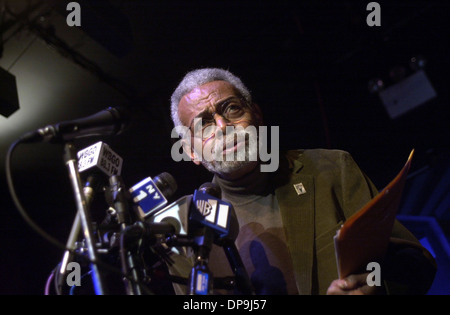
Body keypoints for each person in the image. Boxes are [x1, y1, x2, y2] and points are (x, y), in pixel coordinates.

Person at [166, 67, 436, 295]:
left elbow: (418, 264)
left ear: (257, 116)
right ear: (191, 151)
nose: (223, 126)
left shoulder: (330, 169)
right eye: (204, 125)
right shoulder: (183, 227)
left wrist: (374, 284)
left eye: (232, 109)